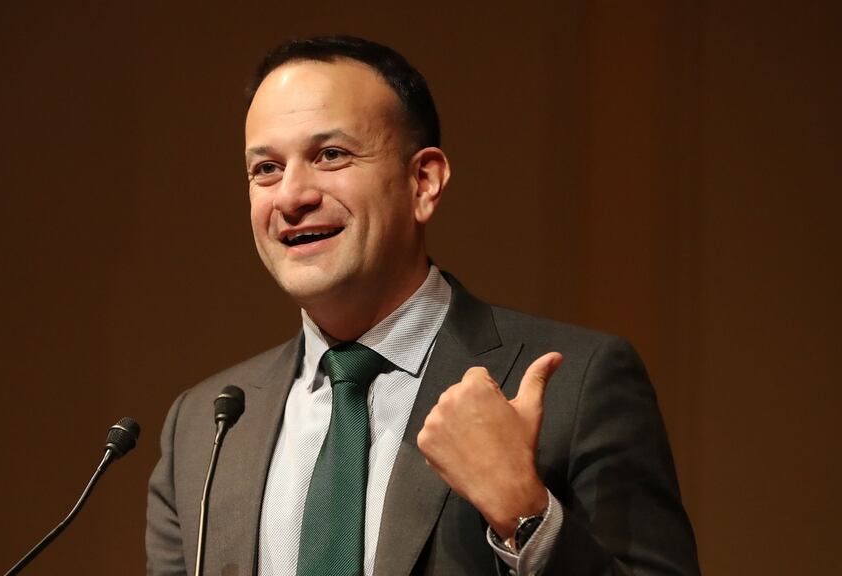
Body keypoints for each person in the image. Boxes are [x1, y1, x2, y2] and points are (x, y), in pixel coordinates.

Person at [146, 35, 699, 576]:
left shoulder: (579, 383)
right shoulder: (205, 428)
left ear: (423, 182)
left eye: (330, 155)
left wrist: (525, 513)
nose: (291, 197)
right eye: (266, 168)